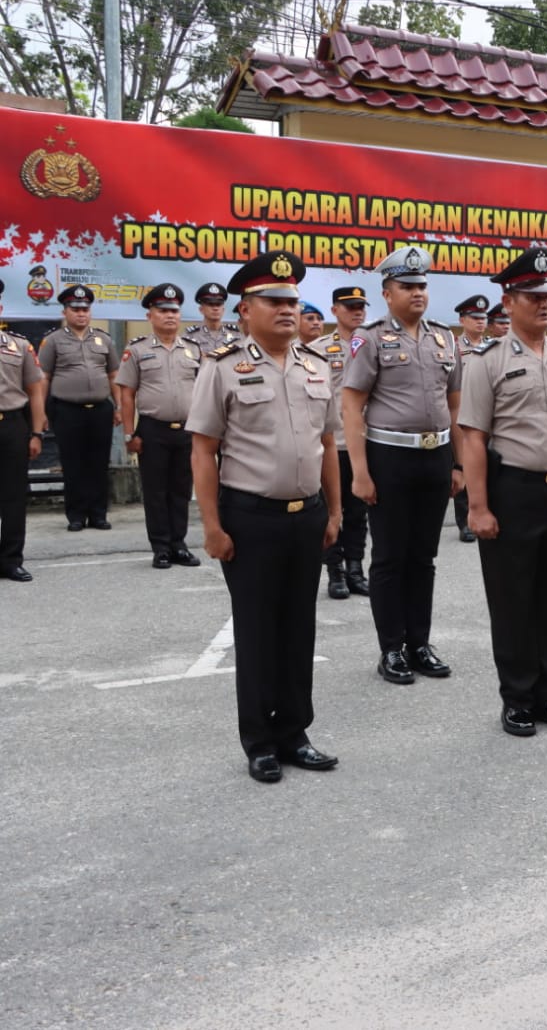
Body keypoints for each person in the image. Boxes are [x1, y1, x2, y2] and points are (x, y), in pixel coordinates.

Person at [187, 251, 342, 784]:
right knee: (256, 633)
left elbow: (327, 444)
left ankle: (295, 734)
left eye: (291, 301)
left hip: (307, 517)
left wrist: (334, 511)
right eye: (273, 301)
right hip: (250, 518)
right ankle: (259, 742)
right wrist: (211, 526)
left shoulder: (316, 365)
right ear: (245, 309)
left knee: (299, 630)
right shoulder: (222, 366)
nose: (286, 310)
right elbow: (203, 451)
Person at [458, 246, 547, 736]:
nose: (544, 303)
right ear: (509, 300)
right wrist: (478, 506)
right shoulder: (487, 360)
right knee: (513, 599)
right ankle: (517, 698)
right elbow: (473, 437)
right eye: (533, 296)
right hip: (513, 491)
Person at [341, 246, 461, 686]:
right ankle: (391, 648)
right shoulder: (369, 338)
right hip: (389, 458)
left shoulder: (444, 338)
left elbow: (455, 404)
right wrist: (360, 472)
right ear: (387, 293)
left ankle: (419, 644)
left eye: (422, 285)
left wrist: (457, 463)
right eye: (407, 286)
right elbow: (351, 406)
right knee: (390, 557)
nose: (417, 293)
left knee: (423, 557)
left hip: (435, 457)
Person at [115, 283, 202, 568]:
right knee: (155, 491)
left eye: (174, 311)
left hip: (187, 430)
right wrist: (129, 433)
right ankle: (161, 547)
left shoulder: (193, 350)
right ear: (150, 316)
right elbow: (127, 394)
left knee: (181, 490)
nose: (170, 316)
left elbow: (204, 392)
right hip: (152, 430)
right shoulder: (137, 349)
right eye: (163, 311)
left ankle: (179, 544)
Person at [38, 285, 119, 531]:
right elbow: (44, 377)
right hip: (67, 410)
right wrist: (40, 412)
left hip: (100, 410)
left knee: (99, 463)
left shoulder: (104, 339)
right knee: (73, 463)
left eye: (85, 309)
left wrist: (119, 407)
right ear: (65, 312)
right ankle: (76, 515)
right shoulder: (53, 340)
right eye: (76, 309)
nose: (81, 313)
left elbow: (114, 375)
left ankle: (98, 514)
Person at [312, 286, 371, 600]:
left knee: (359, 511)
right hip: (332, 444)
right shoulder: (319, 349)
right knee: (331, 510)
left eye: (361, 306)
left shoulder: (373, 344)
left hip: (364, 442)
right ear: (335, 311)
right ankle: (335, 572)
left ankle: (356, 569)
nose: (357, 312)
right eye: (350, 307)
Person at [0, 280, 47, 582]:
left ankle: (10, 559)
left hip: (12, 426)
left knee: (14, 496)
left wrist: (37, 433)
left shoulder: (19, 346)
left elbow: (35, 390)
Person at [451, 294, 492, 543]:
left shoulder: (494, 347)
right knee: (464, 466)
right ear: (462, 320)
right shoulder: (453, 347)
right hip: (464, 417)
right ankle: (465, 521)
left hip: (489, 416)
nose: (480, 321)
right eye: (474, 317)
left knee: (491, 467)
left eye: (483, 317)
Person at [185, 283, 239, 354]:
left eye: (218, 304)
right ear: (201, 309)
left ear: (223, 310)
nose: (215, 308)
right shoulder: (190, 336)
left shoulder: (236, 334)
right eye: (210, 304)